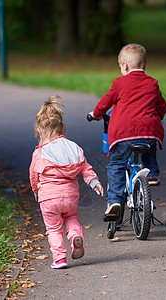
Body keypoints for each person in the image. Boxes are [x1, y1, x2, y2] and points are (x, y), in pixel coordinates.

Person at [89, 43, 166, 221]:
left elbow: (105, 103)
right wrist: (159, 116)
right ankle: (152, 174)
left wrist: (95, 114)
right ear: (145, 66)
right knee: (150, 147)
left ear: (124, 65)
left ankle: (115, 201)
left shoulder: (119, 83)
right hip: (149, 131)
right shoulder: (152, 83)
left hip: (123, 134)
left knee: (116, 164)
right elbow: (162, 106)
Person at [30, 95, 104, 269]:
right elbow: (85, 167)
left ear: (39, 131)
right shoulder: (74, 148)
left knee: (54, 229)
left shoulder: (40, 152)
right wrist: (94, 182)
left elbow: (33, 176)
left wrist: (36, 191)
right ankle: (74, 237)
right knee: (71, 218)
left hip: (48, 198)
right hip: (70, 196)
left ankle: (60, 258)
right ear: (62, 128)